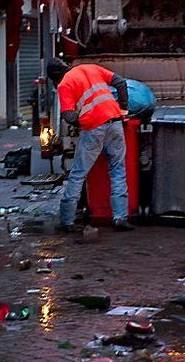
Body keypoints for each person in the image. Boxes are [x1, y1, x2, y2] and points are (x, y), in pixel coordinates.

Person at [47, 58, 134, 232]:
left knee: (78, 174)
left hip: (94, 128)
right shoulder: (90, 67)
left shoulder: (64, 85)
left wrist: (82, 122)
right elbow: (120, 83)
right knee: (118, 170)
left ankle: (67, 221)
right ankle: (120, 218)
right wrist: (123, 108)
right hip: (115, 122)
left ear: (54, 78)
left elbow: (67, 115)